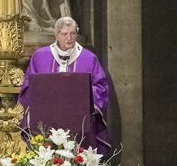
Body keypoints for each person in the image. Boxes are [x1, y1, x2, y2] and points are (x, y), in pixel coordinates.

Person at [18, 16, 111, 154]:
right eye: (65, 34)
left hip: (79, 121)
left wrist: (85, 97)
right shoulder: (40, 56)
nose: (69, 38)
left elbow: (101, 87)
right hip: (46, 119)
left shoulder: (89, 58)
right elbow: (28, 86)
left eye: (73, 33)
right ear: (56, 35)